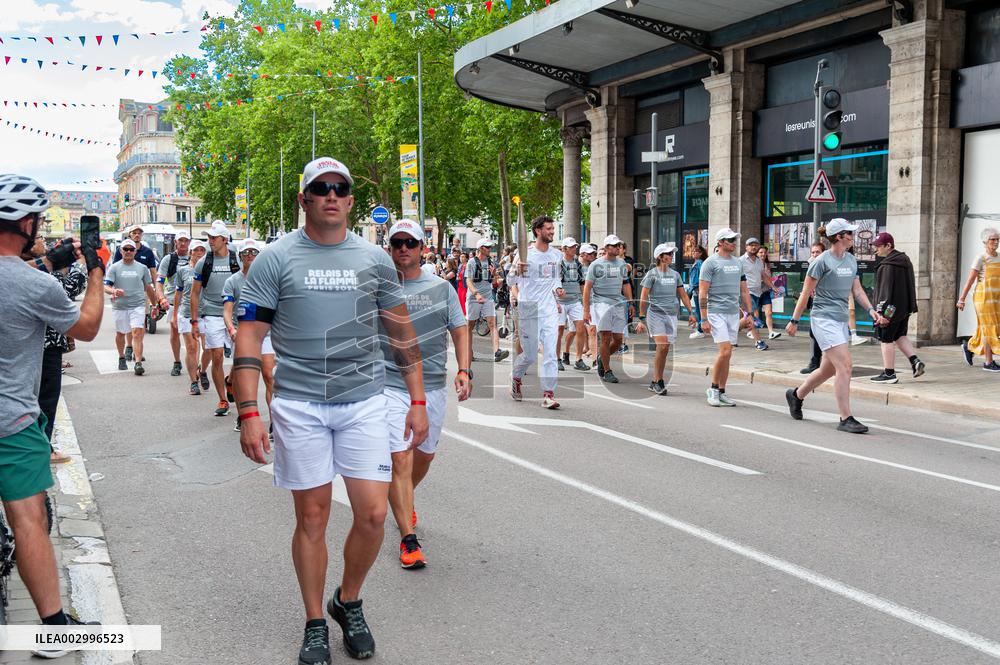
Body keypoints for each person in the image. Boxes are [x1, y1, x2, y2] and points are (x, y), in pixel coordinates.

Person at [234, 157, 428, 665]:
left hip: (364, 400)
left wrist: (418, 400)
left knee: (373, 514)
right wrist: (249, 410)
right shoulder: (275, 260)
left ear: (350, 199)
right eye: (320, 188)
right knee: (313, 516)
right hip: (299, 404)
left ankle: (348, 600)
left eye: (340, 188)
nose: (332, 195)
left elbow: (400, 330)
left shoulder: (375, 259)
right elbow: (250, 338)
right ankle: (314, 621)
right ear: (304, 199)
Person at [0, 174, 104, 651]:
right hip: (13, 423)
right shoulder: (33, 283)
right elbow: (85, 328)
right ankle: (53, 627)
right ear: (25, 222)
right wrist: (95, 270)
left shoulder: (33, 273)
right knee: (28, 521)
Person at [382, 220, 471, 569]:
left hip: (433, 384)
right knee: (399, 459)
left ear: (422, 248)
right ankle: (408, 539)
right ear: (389, 248)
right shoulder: (378, 287)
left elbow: (460, 330)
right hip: (390, 385)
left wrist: (464, 370)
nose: (404, 248)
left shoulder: (441, 288)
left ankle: (404, 496)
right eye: (397, 243)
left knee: (424, 457)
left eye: (410, 243)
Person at [784, 219, 888, 433]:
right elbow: (805, 293)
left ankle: (796, 395)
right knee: (845, 366)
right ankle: (845, 417)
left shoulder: (850, 260)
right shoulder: (820, 262)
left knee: (827, 369)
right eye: (850, 233)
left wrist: (871, 310)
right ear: (839, 236)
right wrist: (794, 320)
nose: (853, 236)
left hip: (840, 320)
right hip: (823, 319)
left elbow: (857, 290)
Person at [23, 236, 86, 462]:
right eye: (39, 238)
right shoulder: (40, 272)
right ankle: (42, 450)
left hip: (33, 347)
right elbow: (71, 287)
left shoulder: (18, 267)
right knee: (45, 402)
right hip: (45, 347)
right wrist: (82, 264)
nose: (43, 242)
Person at [509, 216, 563, 408]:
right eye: (548, 229)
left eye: (553, 229)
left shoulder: (556, 255)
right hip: (528, 307)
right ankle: (516, 376)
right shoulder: (524, 254)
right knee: (530, 355)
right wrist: (517, 270)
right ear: (538, 231)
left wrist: (558, 290)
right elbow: (509, 282)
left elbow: (556, 279)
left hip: (549, 308)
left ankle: (548, 394)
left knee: (550, 352)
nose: (552, 232)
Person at [223, 239, 275, 432]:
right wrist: (231, 329)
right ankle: (243, 415)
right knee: (243, 379)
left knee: (269, 375)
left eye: (254, 252)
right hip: (242, 334)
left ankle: (273, 423)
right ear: (240, 256)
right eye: (246, 253)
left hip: (266, 334)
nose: (250, 256)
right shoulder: (232, 281)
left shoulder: (269, 280)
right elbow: (227, 311)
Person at [699, 228, 754, 406]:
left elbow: (745, 290)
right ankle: (713, 389)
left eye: (735, 239)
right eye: (730, 240)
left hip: (732, 313)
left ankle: (722, 391)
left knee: (728, 355)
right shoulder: (710, 263)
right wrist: (704, 318)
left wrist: (749, 313)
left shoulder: (738, 263)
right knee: (725, 351)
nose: (734, 242)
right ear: (720, 242)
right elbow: (702, 293)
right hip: (716, 313)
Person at [190, 220, 240, 417]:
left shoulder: (237, 260)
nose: (209, 241)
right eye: (208, 237)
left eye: (213, 238)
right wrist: (195, 321)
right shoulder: (204, 262)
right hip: (212, 314)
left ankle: (230, 381)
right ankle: (222, 399)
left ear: (224, 240)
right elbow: (195, 293)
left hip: (237, 316)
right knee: (217, 355)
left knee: (240, 359)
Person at [635, 243, 697, 395]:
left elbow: (683, 295)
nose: (671, 256)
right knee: (662, 346)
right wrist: (641, 319)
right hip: (655, 314)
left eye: (671, 253)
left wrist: (691, 312)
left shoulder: (675, 275)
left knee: (665, 349)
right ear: (660, 257)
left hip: (671, 315)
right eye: (668, 254)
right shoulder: (652, 274)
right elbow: (643, 297)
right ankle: (658, 380)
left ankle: (655, 380)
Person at [870, 232, 924, 383]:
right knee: (900, 336)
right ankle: (915, 361)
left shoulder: (888, 265)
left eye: (879, 246)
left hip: (890, 311)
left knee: (886, 339)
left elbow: (886, 293)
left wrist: (884, 315)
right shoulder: (904, 260)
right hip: (903, 309)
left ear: (888, 246)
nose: (876, 249)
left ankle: (889, 373)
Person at [582, 234, 634, 384]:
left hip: (618, 303)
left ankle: (601, 357)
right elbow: (587, 289)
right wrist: (586, 310)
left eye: (619, 245)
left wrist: (630, 303)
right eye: (614, 245)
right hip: (601, 303)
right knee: (605, 336)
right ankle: (606, 370)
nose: (618, 248)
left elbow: (625, 284)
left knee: (618, 340)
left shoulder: (621, 263)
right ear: (605, 248)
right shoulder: (596, 265)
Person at [105, 238, 157, 376]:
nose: (128, 252)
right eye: (125, 249)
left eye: (131, 249)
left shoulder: (142, 268)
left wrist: (155, 304)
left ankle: (138, 363)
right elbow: (106, 286)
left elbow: (149, 287)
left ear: (135, 251)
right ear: (121, 251)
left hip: (137, 305)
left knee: (137, 333)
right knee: (121, 333)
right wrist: (113, 291)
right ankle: (121, 357)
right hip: (120, 306)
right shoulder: (114, 267)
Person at [112, 224, 163, 362]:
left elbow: (153, 271)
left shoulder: (147, 252)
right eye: (134, 233)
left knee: (138, 324)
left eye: (139, 233)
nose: (137, 235)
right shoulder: (120, 250)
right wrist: (113, 290)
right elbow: (116, 270)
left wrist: (157, 289)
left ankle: (136, 349)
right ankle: (129, 346)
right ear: (130, 235)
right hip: (124, 292)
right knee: (128, 323)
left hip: (143, 291)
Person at [957, 227, 1000, 372]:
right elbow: (970, 280)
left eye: (997, 239)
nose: (995, 242)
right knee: (989, 328)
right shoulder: (980, 258)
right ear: (985, 241)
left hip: (996, 299)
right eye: (992, 239)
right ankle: (988, 363)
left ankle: (969, 347)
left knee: (987, 328)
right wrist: (961, 299)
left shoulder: (999, 257)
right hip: (983, 298)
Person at [173, 240, 209, 395]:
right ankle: (194, 381)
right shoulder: (183, 271)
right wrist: (175, 314)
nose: (199, 252)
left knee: (209, 348)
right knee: (192, 348)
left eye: (202, 250)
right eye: (196, 250)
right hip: (187, 313)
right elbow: (178, 293)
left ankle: (202, 370)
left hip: (206, 313)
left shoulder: (209, 270)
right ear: (191, 253)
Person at [466, 239, 509, 363]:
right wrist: (476, 294)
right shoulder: (472, 262)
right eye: (487, 247)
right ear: (480, 248)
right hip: (474, 298)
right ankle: (468, 351)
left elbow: (494, 282)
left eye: (490, 247)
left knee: (492, 323)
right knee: (470, 325)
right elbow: (468, 281)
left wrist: (495, 277)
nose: (490, 249)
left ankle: (497, 351)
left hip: (488, 297)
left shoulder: (492, 262)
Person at [157, 229, 192, 376]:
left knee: (192, 336)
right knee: (175, 331)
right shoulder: (169, 259)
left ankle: (194, 363)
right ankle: (177, 362)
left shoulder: (196, 256)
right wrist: (161, 298)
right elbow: (159, 281)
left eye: (186, 240)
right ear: (176, 243)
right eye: (180, 241)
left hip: (192, 303)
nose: (183, 243)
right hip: (173, 302)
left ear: (189, 242)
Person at [556, 237, 588, 371]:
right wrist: (554, 300)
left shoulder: (578, 264)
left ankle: (579, 359)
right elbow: (552, 283)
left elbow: (582, 284)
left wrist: (585, 303)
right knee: (559, 330)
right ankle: (557, 359)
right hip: (560, 302)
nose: (575, 248)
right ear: (564, 249)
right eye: (571, 247)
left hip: (575, 301)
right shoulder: (558, 264)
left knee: (580, 328)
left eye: (575, 246)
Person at [739, 237, 770, 351]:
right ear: (746, 247)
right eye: (751, 245)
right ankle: (758, 341)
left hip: (757, 293)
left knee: (746, 319)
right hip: (745, 292)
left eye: (756, 245)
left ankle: (730, 334)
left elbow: (763, 276)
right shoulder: (740, 261)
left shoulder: (759, 261)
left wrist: (773, 286)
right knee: (751, 316)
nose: (753, 247)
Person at [800, 241, 826, 374]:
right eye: (813, 252)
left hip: (826, 304)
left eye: (818, 252)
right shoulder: (811, 264)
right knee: (814, 332)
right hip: (815, 302)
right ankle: (817, 361)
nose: (815, 254)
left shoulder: (825, 264)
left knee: (818, 333)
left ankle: (818, 362)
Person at [578, 243, 599, 359]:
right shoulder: (578, 268)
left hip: (594, 301)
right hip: (581, 302)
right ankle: (586, 347)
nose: (593, 255)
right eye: (590, 253)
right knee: (584, 328)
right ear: (582, 254)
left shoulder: (595, 266)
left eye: (593, 253)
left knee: (592, 328)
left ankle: (592, 350)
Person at [756, 245, 781, 340]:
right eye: (761, 252)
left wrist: (774, 284)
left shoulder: (767, 264)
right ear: (757, 253)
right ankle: (754, 332)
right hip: (756, 292)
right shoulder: (754, 264)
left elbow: (768, 278)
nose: (763, 254)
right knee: (755, 314)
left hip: (765, 292)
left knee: (769, 312)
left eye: (764, 252)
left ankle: (771, 332)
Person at [688, 245, 707, 339]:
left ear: (701, 253)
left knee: (699, 311)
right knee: (699, 310)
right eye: (693, 251)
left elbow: (696, 280)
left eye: (696, 251)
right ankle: (700, 328)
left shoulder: (699, 263)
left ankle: (700, 330)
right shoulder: (697, 263)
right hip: (696, 290)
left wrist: (691, 289)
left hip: (698, 290)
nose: (694, 253)